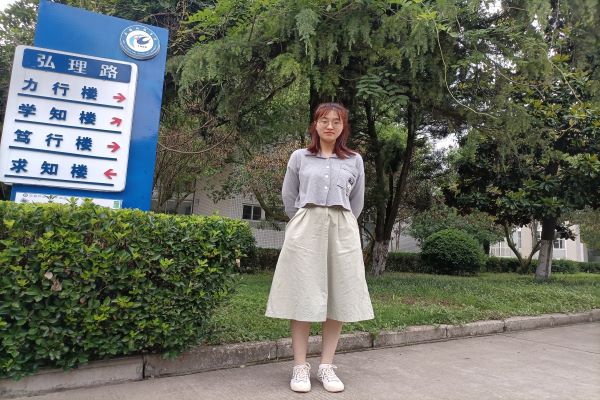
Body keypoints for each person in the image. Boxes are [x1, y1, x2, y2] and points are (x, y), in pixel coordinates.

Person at [265, 102, 374, 393]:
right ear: (315, 124)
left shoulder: (354, 160)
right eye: (324, 120)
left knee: (338, 295)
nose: (330, 126)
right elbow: (289, 196)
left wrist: (342, 223)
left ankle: (326, 365)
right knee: (303, 293)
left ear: (343, 127)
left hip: (342, 229)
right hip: (306, 228)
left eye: (336, 121)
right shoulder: (300, 157)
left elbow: (357, 202)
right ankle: (300, 366)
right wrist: (303, 221)